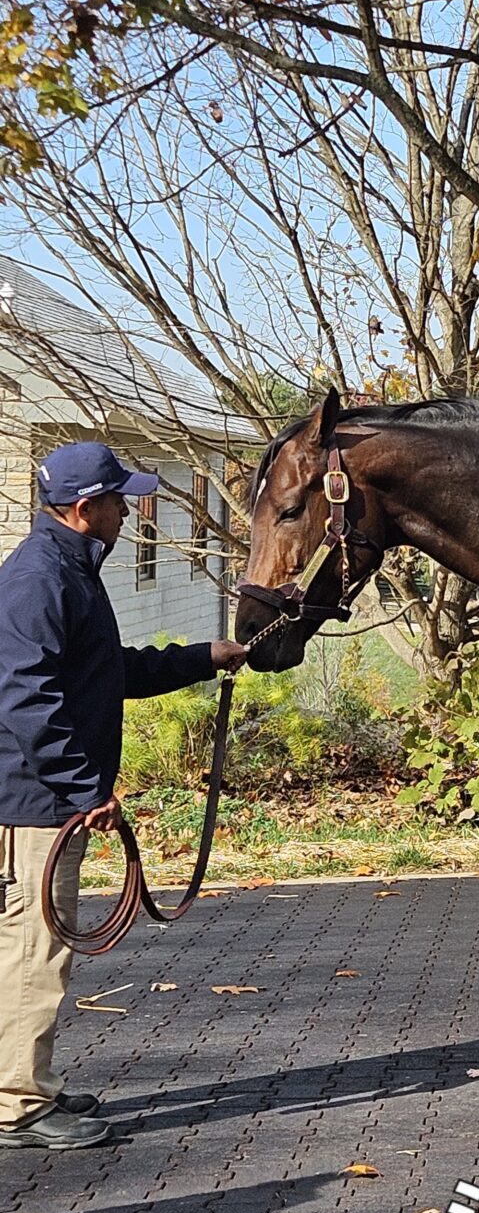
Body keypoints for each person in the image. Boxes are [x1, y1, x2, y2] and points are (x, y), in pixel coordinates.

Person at [0, 441, 248, 1151]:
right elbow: (25, 698)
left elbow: (106, 673)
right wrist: (85, 789)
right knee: (32, 951)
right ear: (85, 509)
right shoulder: (40, 581)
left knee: (31, 948)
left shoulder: (71, 569)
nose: (129, 509)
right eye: (118, 499)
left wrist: (204, 658)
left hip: (46, 799)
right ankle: (17, 1106)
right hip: (33, 804)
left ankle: (23, 1082)